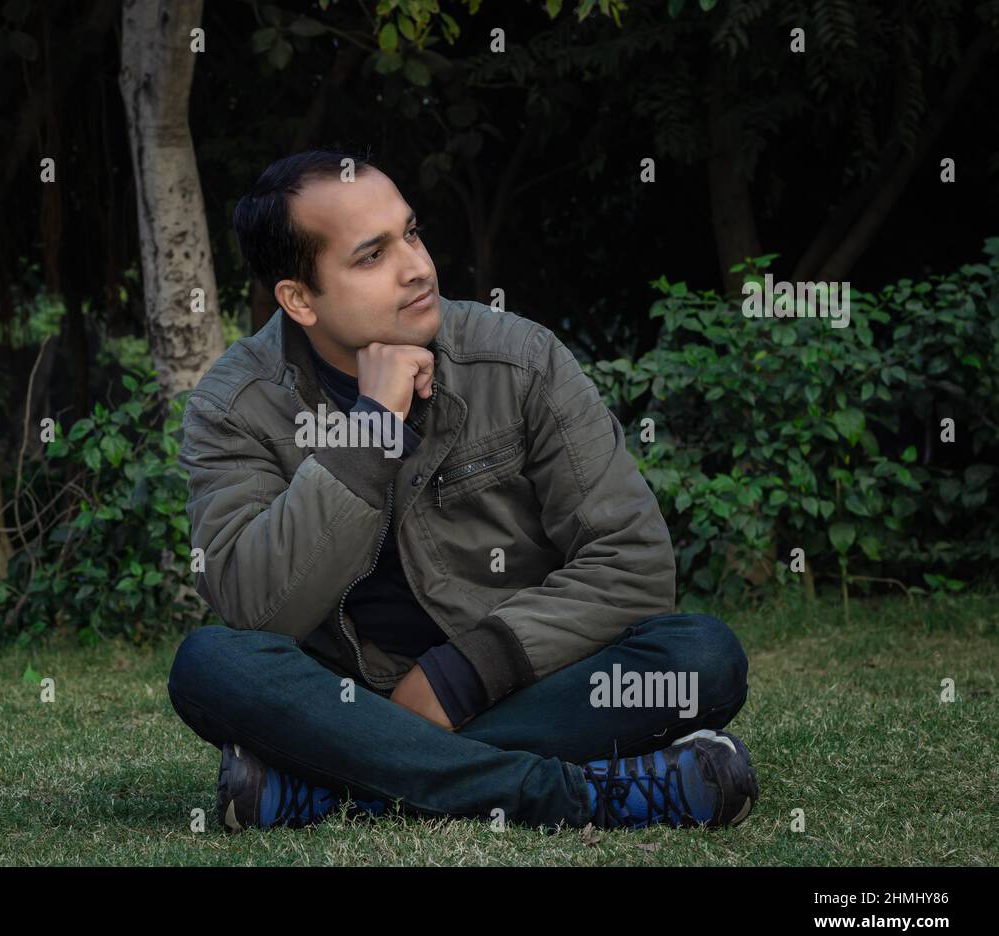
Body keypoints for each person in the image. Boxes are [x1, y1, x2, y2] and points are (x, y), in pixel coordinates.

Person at [168, 146, 758, 834]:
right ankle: (575, 794)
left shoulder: (518, 358)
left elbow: (632, 562)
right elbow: (255, 607)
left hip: (523, 684)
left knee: (700, 660)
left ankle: (336, 785)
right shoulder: (234, 404)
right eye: (371, 257)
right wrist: (371, 432)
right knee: (212, 663)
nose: (418, 267)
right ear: (299, 298)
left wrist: (467, 673)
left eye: (411, 233)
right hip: (341, 699)